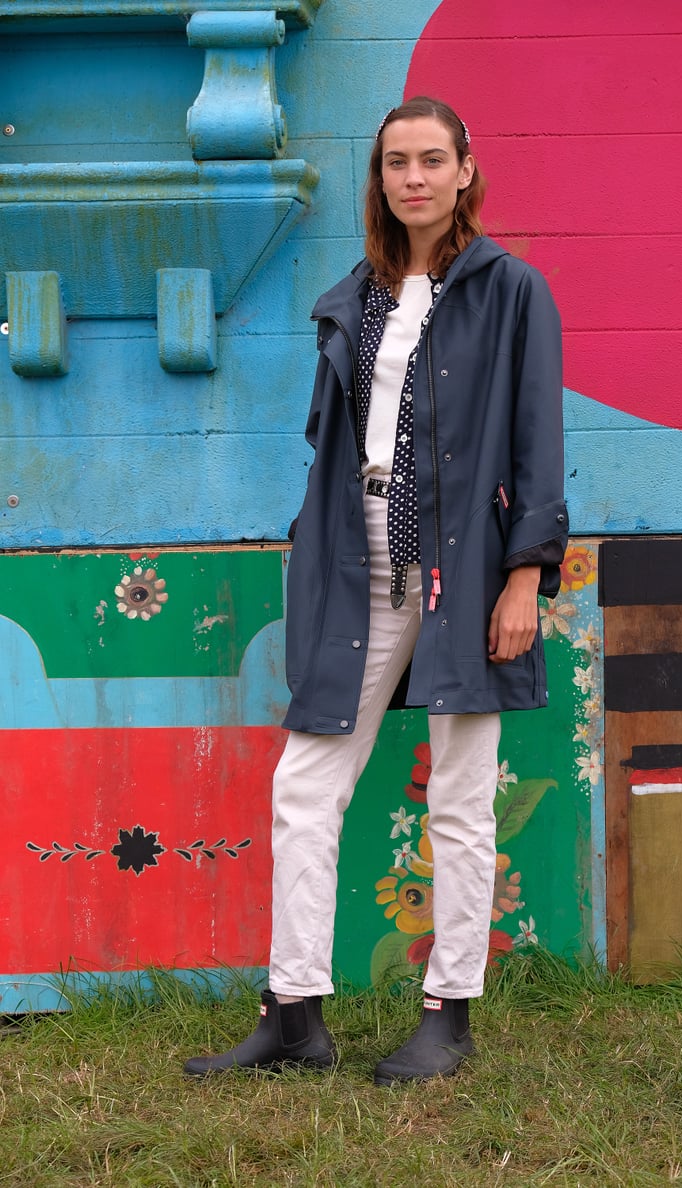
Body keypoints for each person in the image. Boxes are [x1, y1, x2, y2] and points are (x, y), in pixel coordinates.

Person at [184, 95, 568, 1085]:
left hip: (467, 573)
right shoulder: (351, 299)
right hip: (356, 571)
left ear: (465, 169)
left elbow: (537, 445)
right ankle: (295, 1013)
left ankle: (448, 1014)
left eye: (433, 160)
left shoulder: (510, 291)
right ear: (381, 177)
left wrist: (525, 574)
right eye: (398, 161)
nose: (415, 178)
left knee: (461, 795)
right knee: (305, 787)